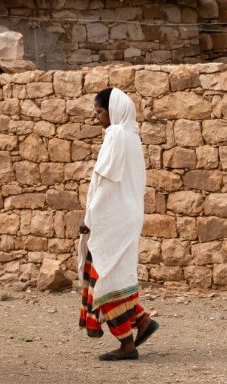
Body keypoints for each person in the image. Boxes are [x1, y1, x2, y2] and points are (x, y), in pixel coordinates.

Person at [78, 87, 158, 361]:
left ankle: (126, 343)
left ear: (113, 110)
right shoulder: (133, 137)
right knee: (116, 272)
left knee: (104, 277)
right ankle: (142, 320)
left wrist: (89, 218)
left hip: (113, 217)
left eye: (100, 112)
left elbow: (104, 182)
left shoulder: (116, 135)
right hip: (128, 215)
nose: (99, 118)